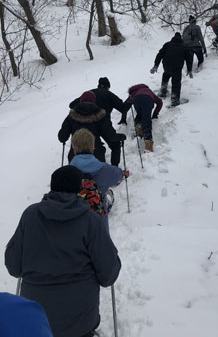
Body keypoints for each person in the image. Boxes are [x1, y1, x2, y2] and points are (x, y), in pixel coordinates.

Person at [5, 165, 121, 337]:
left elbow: (13, 266)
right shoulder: (91, 221)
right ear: (79, 189)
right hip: (81, 324)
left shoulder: (30, 215)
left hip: (35, 320)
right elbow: (108, 275)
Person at [70, 128, 128, 229]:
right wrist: (124, 174)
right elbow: (119, 176)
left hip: (75, 222)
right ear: (93, 147)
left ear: (74, 148)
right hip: (99, 225)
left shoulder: (67, 172)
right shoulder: (104, 168)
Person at [58, 90, 126, 166]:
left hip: (74, 158)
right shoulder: (100, 116)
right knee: (116, 144)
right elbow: (111, 137)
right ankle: (114, 168)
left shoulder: (71, 116)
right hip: (96, 157)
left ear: (80, 101)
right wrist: (120, 137)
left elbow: (62, 137)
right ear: (94, 101)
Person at [150, 32, 193, 106]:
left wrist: (156, 65)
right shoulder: (184, 46)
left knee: (166, 75)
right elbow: (189, 59)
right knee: (176, 82)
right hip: (177, 67)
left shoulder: (167, 44)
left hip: (166, 65)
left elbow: (160, 54)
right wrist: (189, 70)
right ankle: (175, 100)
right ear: (180, 38)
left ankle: (162, 92)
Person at [120, 84, 163, 152]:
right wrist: (155, 114)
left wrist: (123, 119)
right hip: (148, 100)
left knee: (139, 115)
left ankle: (139, 129)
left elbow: (124, 107)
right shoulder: (149, 91)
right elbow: (160, 102)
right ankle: (148, 145)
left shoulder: (133, 93)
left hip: (137, 100)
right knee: (147, 121)